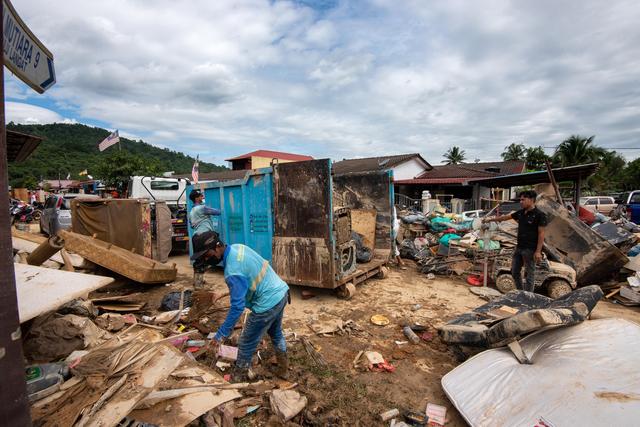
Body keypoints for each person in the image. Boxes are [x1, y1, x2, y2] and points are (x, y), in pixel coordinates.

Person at [191, 231, 290, 381]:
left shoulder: (232, 270)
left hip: (267, 304)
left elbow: (237, 307)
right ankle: (284, 370)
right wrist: (223, 293)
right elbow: (247, 279)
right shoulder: (238, 248)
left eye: (207, 254)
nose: (206, 258)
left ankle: (240, 376)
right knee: (275, 333)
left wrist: (221, 334)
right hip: (281, 293)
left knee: (246, 341)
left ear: (217, 247)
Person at [482, 190, 547, 292]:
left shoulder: (540, 215)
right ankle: (520, 291)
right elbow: (505, 218)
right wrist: (489, 220)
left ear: (531, 200)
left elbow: (541, 234)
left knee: (530, 273)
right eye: (520, 200)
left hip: (530, 249)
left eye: (523, 200)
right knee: (515, 271)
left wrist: (538, 251)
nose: (520, 202)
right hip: (519, 247)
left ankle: (528, 296)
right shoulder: (520, 213)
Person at [189, 189, 221, 288]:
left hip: (195, 238)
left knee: (199, 260)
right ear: (196, 198)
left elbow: (192, 226)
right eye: (200, 196)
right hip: (205, 236)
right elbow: (218, 212)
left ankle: (198, 283)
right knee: (219, 246)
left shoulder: (192, 211)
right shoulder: (202, 208)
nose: (202, 197)